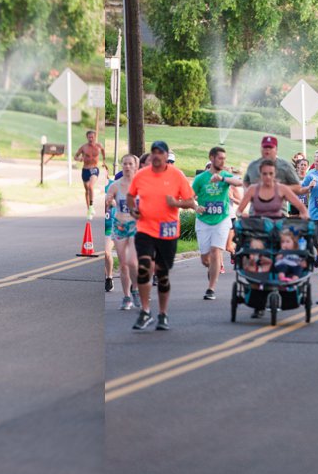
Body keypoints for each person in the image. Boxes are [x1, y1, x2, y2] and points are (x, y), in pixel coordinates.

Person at [128, 140, 196, 331]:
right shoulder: (141, 175)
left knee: (162, 274)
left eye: (160, 152)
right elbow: (130, 195)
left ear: (166, 156)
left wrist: (175, 203)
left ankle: (163, 314)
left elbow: (190, 201)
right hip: (145, 229)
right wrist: (134, 210)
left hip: (168, 231)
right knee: (143, 267)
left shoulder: (177, 176)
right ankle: (145, 310)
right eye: (154, 152)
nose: (156, 156)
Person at [191, 147, 244, 301]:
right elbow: (190, 197)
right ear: (212, 158)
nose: (223, 161)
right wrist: (196, 206)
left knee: (216, 251)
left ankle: (211, 288)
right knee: (205, 259)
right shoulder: (201, 179)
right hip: (203, 221)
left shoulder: (225, 176)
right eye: (220, 158)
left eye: (224, 158)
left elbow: (239, 182)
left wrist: (222, 179)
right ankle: (211, 268)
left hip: (222, 220)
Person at [104, 156, 140, 310]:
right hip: (119, 226)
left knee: (133, 262)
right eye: (124, 163)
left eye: (130, 164)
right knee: (124, 264)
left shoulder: (142, 185)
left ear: (136, 166)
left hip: (136, 226)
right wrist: (110, 202)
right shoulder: (115, 185)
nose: (127, 166)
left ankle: (136, 289)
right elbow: (108, 200)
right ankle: (126, 297)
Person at [238, 159, 309, 220]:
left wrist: (304, 217)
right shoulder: (253, 189)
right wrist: (242, 215)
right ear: (260, 174)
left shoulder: (282, 189)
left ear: (275, 174)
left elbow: (302, 208)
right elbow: (238, 211)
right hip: (258, 228)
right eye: (264, 174)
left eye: (271, 173)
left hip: (276, 228)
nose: (268, 177)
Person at [74, 130, 108, 213]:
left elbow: (103, 152)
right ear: (87, 137)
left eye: (92, 137)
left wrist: (104, 161)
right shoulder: (83, 147)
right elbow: (75, 156)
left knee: (90, 186)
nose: (91, 139)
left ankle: (92, 205)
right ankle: (89, 208)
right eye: (89, 137)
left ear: (95, 137)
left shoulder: (99, 146)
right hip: (85, 169)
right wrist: (79, 159)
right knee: (87, 190)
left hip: (94, 169)